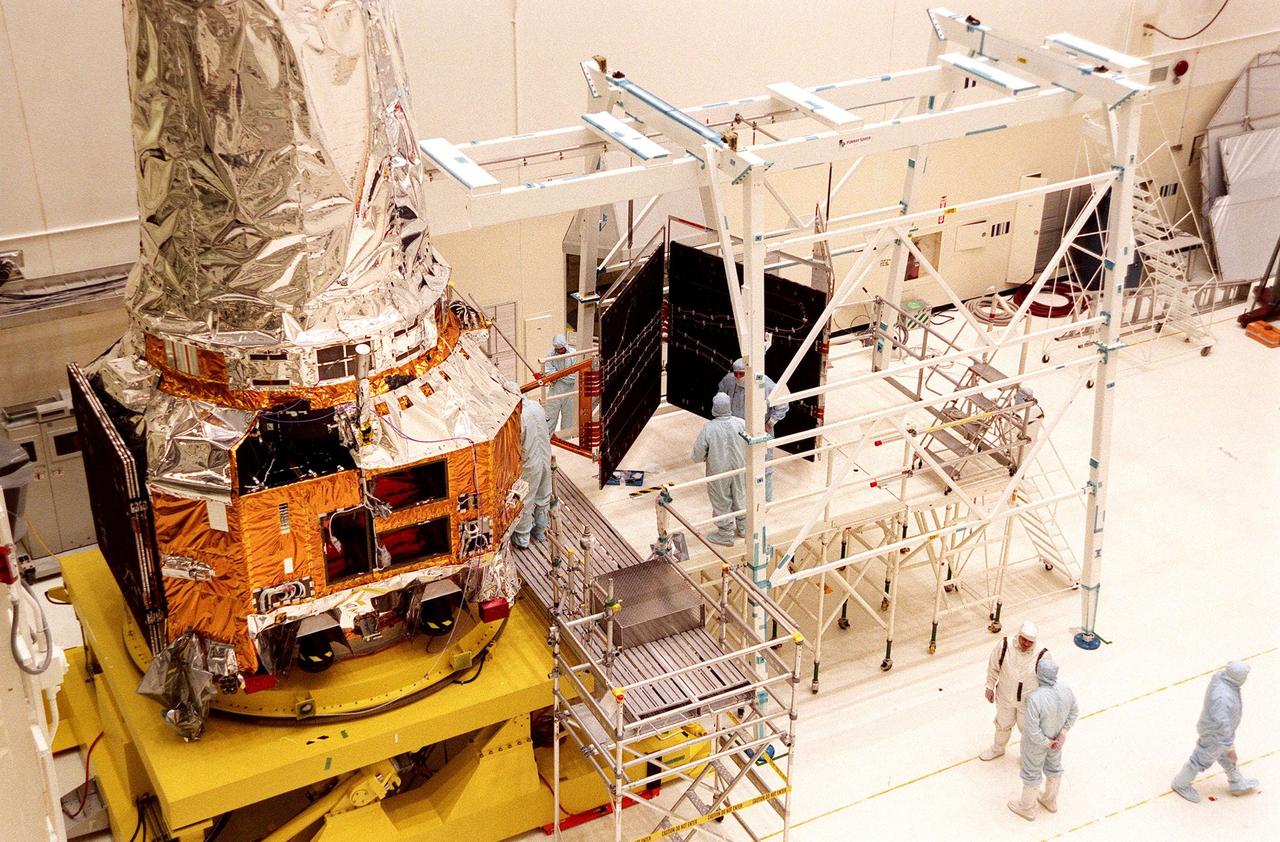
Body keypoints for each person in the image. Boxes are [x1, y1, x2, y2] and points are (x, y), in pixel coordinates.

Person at [1171, 660, 1258, 802]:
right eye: (1245, 675)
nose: (1246, 678)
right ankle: (1180, 784)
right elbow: (1221, 723)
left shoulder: (1223, 678)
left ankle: (1236, 782)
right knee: (1200, 760)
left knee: (1226, 757)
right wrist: (1229, 745)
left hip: (1222, 734)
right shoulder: (1222, 698)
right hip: (1216, 735)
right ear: (1238, 676)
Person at [1008, 654, 1078, 820]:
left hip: (1036, 745)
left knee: (1031, 773)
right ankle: (1050, 800)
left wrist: (1047, 742)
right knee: (1054, 768)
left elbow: (1032, 730)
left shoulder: (1035, 698)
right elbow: (1074, 712)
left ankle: (1027, 807)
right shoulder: (1066, 689)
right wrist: (1061, 735)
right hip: (1057, 741)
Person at [717, 358, 789, 500]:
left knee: (764, 466)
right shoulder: (729, 381)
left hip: (758, 432)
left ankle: (765, 501)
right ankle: (740, 499)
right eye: (736, 373)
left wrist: (769, 424)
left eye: (741, 374)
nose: (737, 377)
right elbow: (721, 397)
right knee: (736, 464)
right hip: (735, 431)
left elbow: (782, 404)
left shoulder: (764, 384)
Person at [981, 621, 1046, 762]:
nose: (1026, 644)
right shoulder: (1005, 645)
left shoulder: (1042, 654)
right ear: (1018, 635)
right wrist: (990, 686)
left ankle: (1026, 758)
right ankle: (998, 749)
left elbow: (1048, 682)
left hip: (1028, 702)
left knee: (1028, 731)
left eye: (1030, 642)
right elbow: (993, 667)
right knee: (1002, 724)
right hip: (1005, 696)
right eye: (1024, 640)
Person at [691, 393, 746, 547]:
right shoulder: (741, 423)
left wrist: (703, 457)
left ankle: (725, 534)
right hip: (740, 467)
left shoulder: (709, 428)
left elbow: (697, 454)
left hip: (718, 469)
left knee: (721, 499)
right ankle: (743, 528)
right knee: (740, 494)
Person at [512, 397, 552, 549]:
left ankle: (522, 537)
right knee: (543, 495)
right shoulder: (536, 406)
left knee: (525, 501)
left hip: (529, 464)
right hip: (545, 458)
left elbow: (516, 442)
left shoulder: (519, 416)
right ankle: (540, 530)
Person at [544, 334, 577, 436]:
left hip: (570, 392)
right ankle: (547, 440)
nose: (559, 351)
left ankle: (566, 441)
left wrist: (557, 375)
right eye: (557, 349)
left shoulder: (573, 354)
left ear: (565, 346)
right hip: (554, 391)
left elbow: (574, 377)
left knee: (568, 420)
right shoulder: (550, 355)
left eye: (561, 349)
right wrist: (565, 373)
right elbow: (548, 372)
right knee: (550, 418)